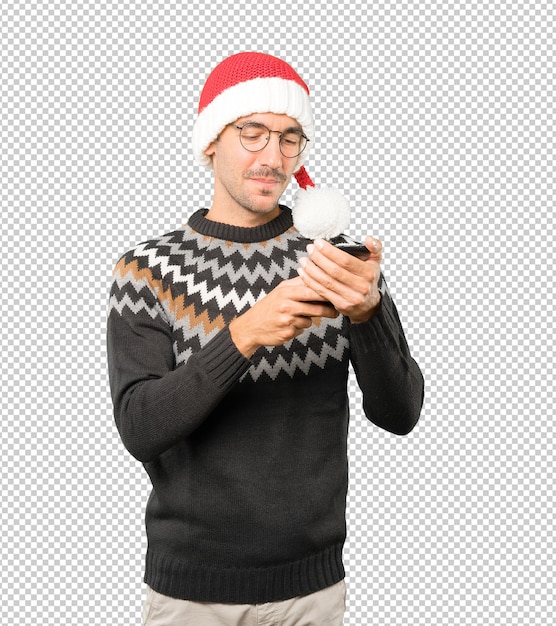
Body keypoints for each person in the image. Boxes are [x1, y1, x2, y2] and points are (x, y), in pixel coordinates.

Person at [107, 51, 424, 626]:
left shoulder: (335, 259)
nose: (271, 158)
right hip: (190, 594)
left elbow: (399, 413)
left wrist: (368, 313)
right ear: (211, 141)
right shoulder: (148, 269)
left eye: (289, 138)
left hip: (312, 588)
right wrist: (244, 336)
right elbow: (140, 427)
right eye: (251, 133)